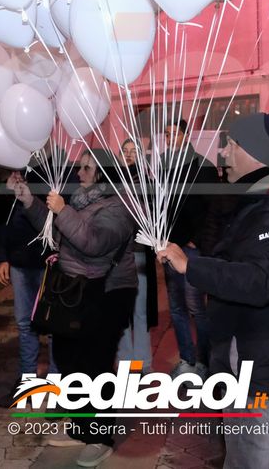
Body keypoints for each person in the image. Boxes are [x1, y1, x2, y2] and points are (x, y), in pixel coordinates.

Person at [158, 113, 269, 469]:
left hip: (264, 373)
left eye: (231, 145)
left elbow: (260, 282)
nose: (224, 154)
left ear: (252, 151)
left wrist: (191, 267)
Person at [9, 150, 136, 468]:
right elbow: (55, 230)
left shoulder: (119, 206)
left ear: (102, 173)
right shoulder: (81, 200)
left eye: (86, 168)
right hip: (74, 293)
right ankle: (80, 427)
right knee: (69, 361)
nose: (79, 173)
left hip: (106, 294)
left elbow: (94, 244)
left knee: (96, 366)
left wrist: (64, 210)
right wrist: (29, 201)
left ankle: (100, 437)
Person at [0, 165, 60, 408]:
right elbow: (2, 222)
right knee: (25, 324)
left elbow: (53, 217)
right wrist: (2, 257)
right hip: (19, 263)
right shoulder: (12, 175)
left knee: (52, 325)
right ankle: (27, 384)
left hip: (47, 262)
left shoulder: (50, 171)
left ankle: (56, 385)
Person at [161, 119, 220, 377]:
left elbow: (213, 208)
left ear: (186, 136)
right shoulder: (164, 167)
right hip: (169, 246)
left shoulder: (202, 167)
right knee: (177, 308)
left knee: (197, 308)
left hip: (192, 250)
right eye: (166, 134)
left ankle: (205, 362)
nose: (169, 138)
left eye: (174, 133)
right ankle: (187, 359)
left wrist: (197, 240)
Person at [116, 138, 158, 375]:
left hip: (139, 254)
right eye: (125, 151)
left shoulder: (147, 183)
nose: (129, 155)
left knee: (140, 310)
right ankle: (125, 360)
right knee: (121, 310)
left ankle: (144, 362)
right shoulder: (111, 181)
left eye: (134, 151)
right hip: (117, 256)